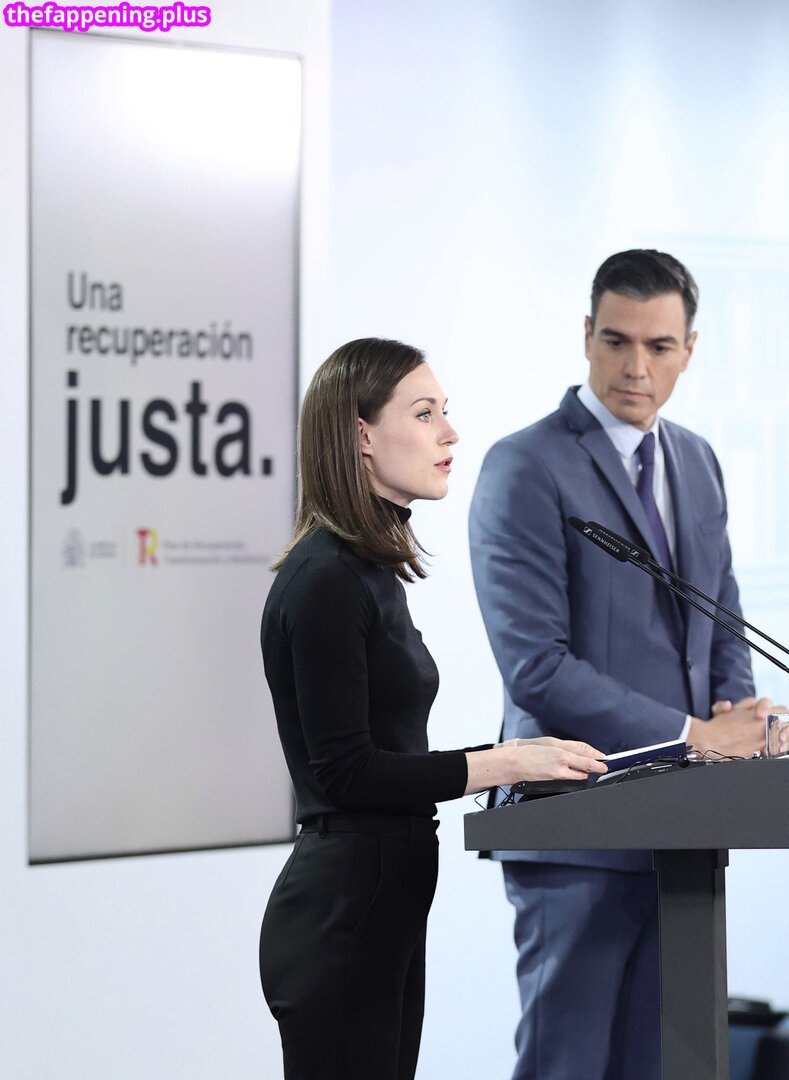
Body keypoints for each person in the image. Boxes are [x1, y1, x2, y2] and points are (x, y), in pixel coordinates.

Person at [258, 337, 608, 1080]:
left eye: (446, 411)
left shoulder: (367, 572)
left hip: (382, 904)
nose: (449, 433)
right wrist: (506, 761)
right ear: (361, 435)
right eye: (424, 414)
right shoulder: (325, 580)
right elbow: (348, 772)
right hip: (342, 915)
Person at [469, 250, 775, 1080]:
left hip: (685, 834)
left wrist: (741, 720)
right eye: (615, 341)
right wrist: (695, 735)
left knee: (665, 1065)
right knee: (568, 1065)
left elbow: (719, 617)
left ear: (689, 350)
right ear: (585, 335)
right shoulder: (525, 464)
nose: (635, 367)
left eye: (658, 346)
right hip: (574, 829)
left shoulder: (697, 461)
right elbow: (536, 667)